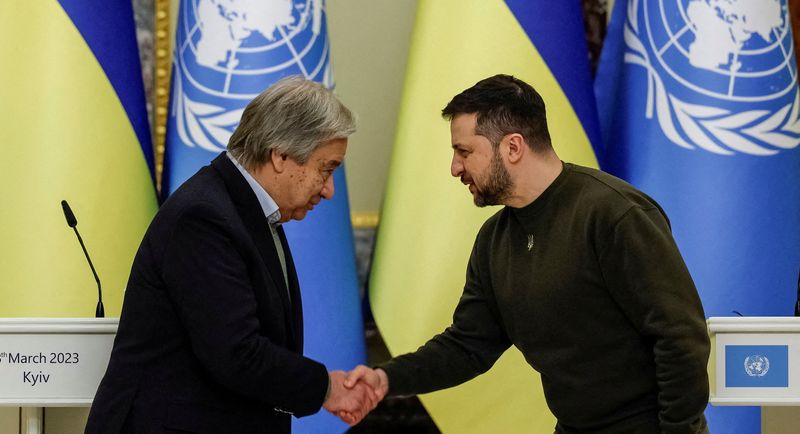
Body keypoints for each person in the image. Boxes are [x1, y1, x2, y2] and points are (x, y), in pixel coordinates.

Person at [347, 75, 711, 433]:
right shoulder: (494, 239)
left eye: (464, 152)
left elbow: (680, 337)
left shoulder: (613, 215)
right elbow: (468, 345)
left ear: (513, 147)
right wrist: (385, 378)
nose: (455, 168)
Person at [86, 77, 377, 433]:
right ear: (281, 155)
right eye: (326, 168)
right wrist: (326, 388)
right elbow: (235, 353)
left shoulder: (246, 210)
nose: (330, 190)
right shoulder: (204, 217)